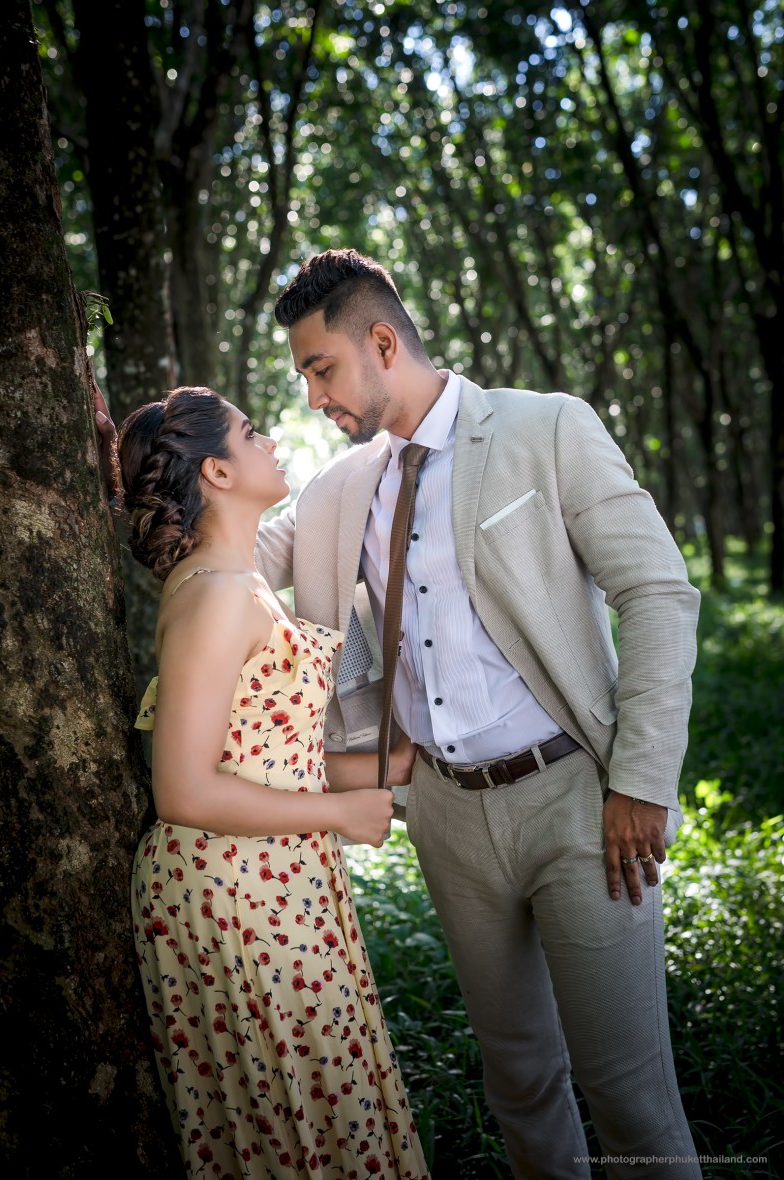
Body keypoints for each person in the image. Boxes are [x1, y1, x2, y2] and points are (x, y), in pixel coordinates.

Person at [253, 249, 703, 1180]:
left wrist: (641, 780)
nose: (312, 397)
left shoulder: (546, 429)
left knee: (628, 1093)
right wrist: (133, 462)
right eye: (302, 375)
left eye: (320, 368)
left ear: (382, 341)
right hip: (447, 815)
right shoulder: (341, 486)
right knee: (518, 1080)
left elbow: (658, 590)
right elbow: (232, 552)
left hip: (581, 801)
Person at [114, 385, 430, 1180]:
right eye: (253, 433)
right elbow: (183, 791)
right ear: (217, 471)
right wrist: (341, 813)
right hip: (239, 895)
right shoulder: (215, 598)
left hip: (276, 881)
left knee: (320, 1114)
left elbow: (255, 758)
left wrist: (385, 768)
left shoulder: (239, 583)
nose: (273, 441)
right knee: (301, 1124)